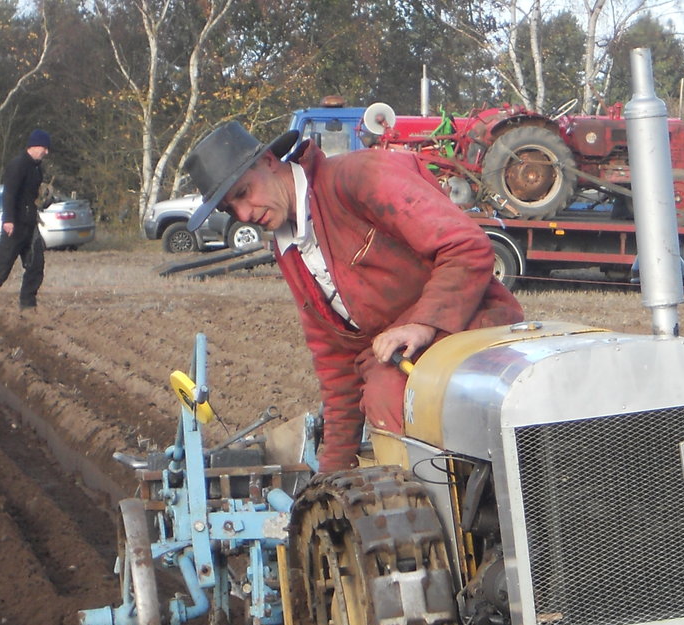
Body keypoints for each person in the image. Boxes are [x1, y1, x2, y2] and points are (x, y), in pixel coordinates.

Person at [182, 121, 523, 472]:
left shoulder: (360, 176)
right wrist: (332, 474)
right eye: (230, 210)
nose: (244, 215)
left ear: (269, 162)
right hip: (402, 362)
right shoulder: (290, 250)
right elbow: (336, 361)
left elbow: (465, 246)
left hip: (474, 330)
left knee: (389, 392)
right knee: (383, 395)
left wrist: (423, 323)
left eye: (243, 193)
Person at [0, 129, 52, 313]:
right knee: (2, 266)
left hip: (30, 225)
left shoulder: (37, 168)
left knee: (36, 265)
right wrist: (8, 220)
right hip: (15, 225)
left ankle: (28, 304)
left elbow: (32, 197)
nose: (46, 152)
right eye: (44, 148)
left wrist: (44, 200)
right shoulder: (17, 165)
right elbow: (9, 194)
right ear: (34, 146)